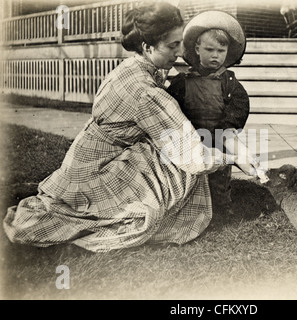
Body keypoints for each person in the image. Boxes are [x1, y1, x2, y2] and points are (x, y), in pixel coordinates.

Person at [2, 2, 258, 252]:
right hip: (98, 167)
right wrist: (235, 158)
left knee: (163, 155)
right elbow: (192, 156)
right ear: (147, 46)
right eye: (173, 45)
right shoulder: (144, 92)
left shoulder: (133, 67)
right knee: (160, 195)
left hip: (89, 157)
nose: (181, 52)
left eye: (180, 43)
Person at [167, 11, 250, 215]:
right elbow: (170, 106)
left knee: (219, 177)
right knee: (190, 175)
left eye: (221, 51)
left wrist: (229, 126)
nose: (215, 55)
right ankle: (191, 209)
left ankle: (222, 209)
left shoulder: (229, 83)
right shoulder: (182, 81)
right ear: (197, 48)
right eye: (209, 49)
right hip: (191, 136)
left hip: (219, 137)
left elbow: (240, 105)